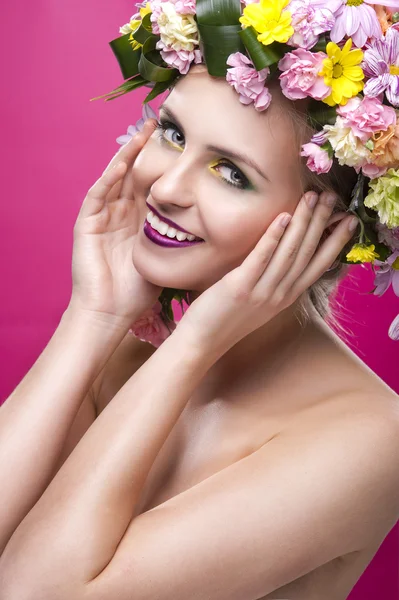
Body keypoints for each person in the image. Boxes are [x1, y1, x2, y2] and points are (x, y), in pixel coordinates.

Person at [0, 3, 399, 599]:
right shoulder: (119, 354)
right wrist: (93, 317)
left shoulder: (372, 437)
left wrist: (193, 346)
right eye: (174, 133)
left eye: (231, 172)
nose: (164, 187)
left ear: (332, 230)